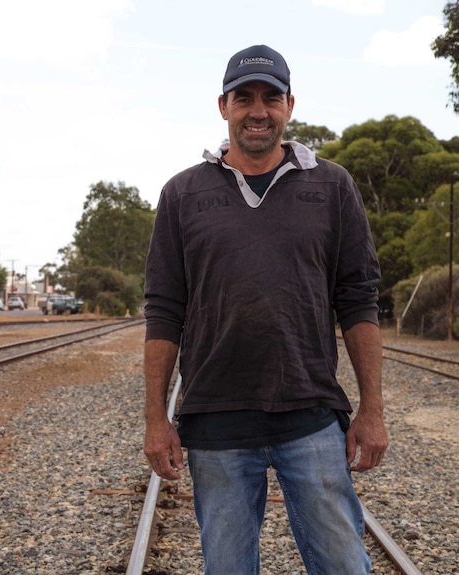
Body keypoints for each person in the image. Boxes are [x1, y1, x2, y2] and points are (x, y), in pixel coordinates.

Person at [142, 45, 388, 575]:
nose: (258, 110)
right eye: (244, 97)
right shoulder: (182, 194)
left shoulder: (332, 186)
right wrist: (155, 419)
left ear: (289, 105)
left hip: (312, 414)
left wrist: (372, 410)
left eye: (270, 98)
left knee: (344, 564)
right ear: (223, 106)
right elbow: (164, 311)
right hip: (214, 420)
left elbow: (358, 302)